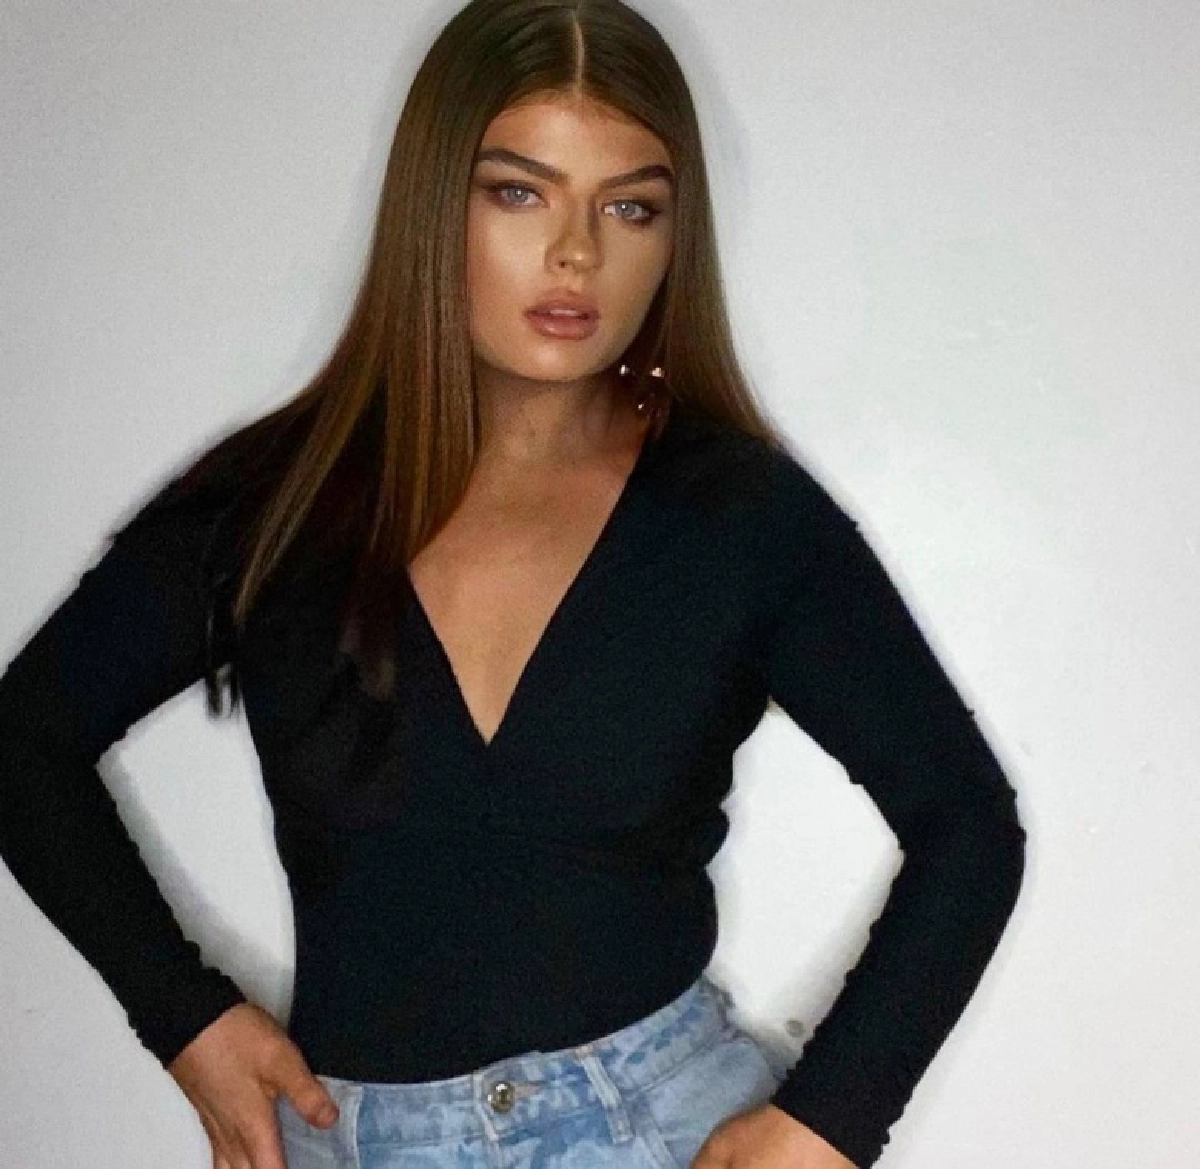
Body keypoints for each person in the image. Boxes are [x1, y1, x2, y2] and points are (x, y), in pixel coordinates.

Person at [0, 1, 1028, 1166]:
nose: (578, 252)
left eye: (630, 207)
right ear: (435, 202)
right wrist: (181, 1015)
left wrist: (831, 1117)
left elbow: (967, 820)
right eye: (519, 192)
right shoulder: (275, 503)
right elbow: (24, 738)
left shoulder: (739, 516)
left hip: (659, 1132)